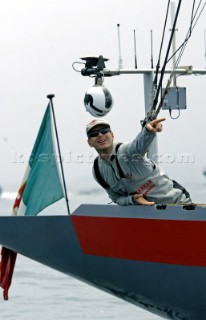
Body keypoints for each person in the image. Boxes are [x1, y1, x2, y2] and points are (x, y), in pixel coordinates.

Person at [86, 118, 191, 206]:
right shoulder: (97, 171)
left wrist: (148, 131)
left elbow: (139, 145)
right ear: (89, 143)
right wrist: (132, 199)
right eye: (94, 133)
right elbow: (116, 198)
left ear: (112, 135)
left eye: (104, 130)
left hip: (178, 203)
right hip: (147, 215)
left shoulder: (126, 152)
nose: (100, 135)